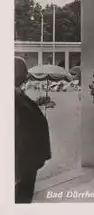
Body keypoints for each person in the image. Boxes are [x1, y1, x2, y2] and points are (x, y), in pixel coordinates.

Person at [15, 56, 51, 203]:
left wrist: (36, 103)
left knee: (25, 191)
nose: (26, 76)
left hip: (28, 156)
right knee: (22, 194)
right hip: (24, 156)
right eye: (23, 72)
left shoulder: (18, 93)